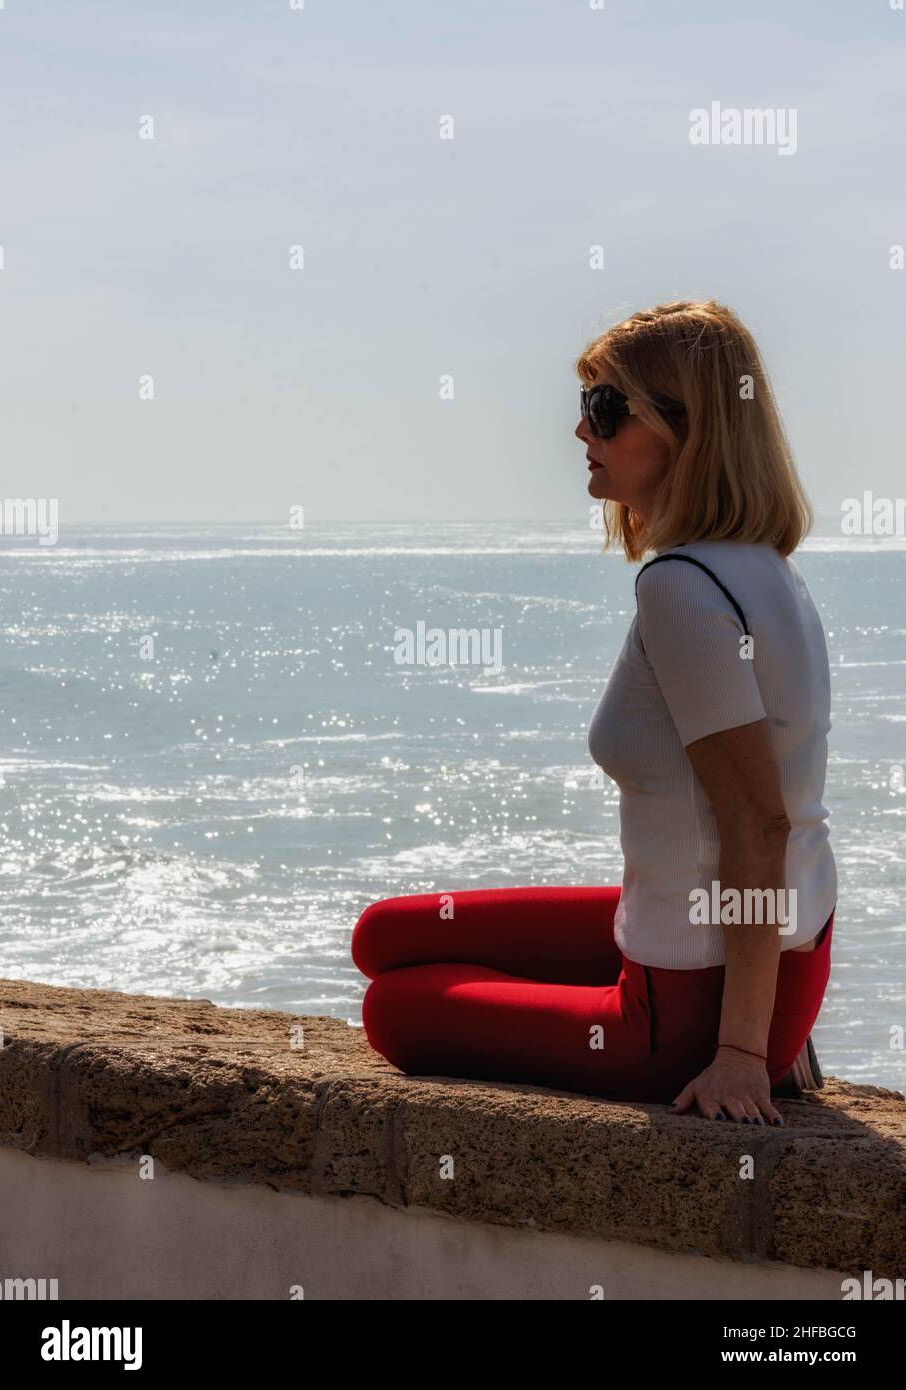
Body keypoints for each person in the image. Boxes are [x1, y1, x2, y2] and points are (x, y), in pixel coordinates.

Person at [352, 299, 837, 1125]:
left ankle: (758, 1043)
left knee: (394, 1010)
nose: (582, 433)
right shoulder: (763, 566)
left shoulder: (681, 588)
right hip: (753, 950)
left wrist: (740, 1056)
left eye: (605, 411)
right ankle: (769, 1031)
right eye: (585, 408)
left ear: (687, 432)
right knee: (385, 936)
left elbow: (757, 820)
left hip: (683, 1008)